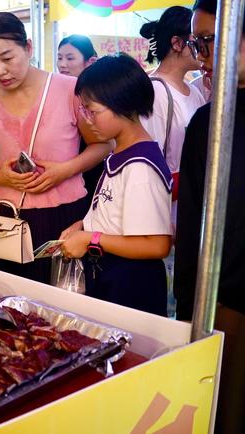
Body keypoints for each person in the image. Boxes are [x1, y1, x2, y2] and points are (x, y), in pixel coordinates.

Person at [0, 12, 112, 284]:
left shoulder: (69, 90)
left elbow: (103, 144)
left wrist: (65, 170)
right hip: (6, 219)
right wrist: (1, 176)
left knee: (61, 310)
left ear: (29, 47)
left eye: (7, 58)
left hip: (64, 217)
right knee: (7, 303)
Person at [175, 0, 245, 431]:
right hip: (225, 307)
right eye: (197, 45)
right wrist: (188, 307)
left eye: (209, 43)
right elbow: (191, 223)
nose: (202, 59)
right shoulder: (208, 122)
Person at [60, 55, 172, 316]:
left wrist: (91, 238)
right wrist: (84, 225)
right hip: (111, 274)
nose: (87, 119)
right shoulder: (121, 154)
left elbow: (157, 245)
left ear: (122, 104)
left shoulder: (140, 167)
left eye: (92, 110)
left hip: (131, 283)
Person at [139, 6, 206, 221]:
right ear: (177, 43)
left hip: (191, 204)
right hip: (166, 213)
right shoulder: (154, 91)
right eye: (197, 41)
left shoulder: (195, 91)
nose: (203, 49)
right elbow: (148, 162)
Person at [57, 34, 102, 206]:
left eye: (70, 58)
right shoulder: (58, 91)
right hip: (63, 178)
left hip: (91, 174)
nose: (62, 64)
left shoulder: (97, 94)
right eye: (59, 58)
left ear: (90, 61)